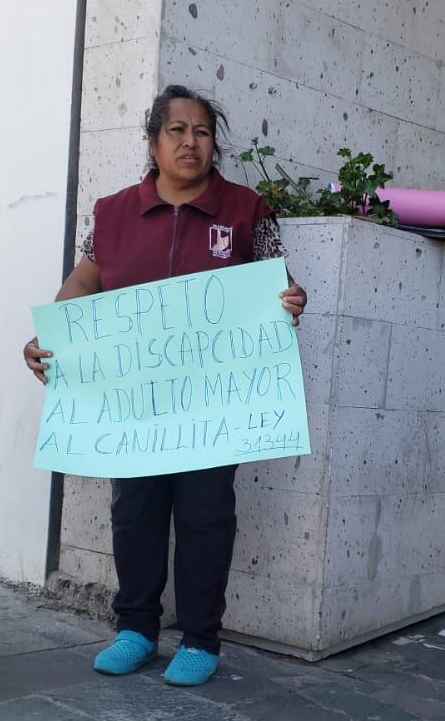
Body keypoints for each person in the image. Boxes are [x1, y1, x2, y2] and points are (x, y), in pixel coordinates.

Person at [23, 85, 307, 687]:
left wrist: (290, 300)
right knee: (135, 513)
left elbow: (278, 286)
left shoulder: (246, 210)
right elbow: (81, 285)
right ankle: (136, 630)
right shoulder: (114, 213)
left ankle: (201, 639)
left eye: (201, 131)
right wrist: (52, 336)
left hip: (215, 403)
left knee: (207, 515)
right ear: (153, 143)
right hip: (134, 404)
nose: (189, 141)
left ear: (214, 145)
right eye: (175, 130)